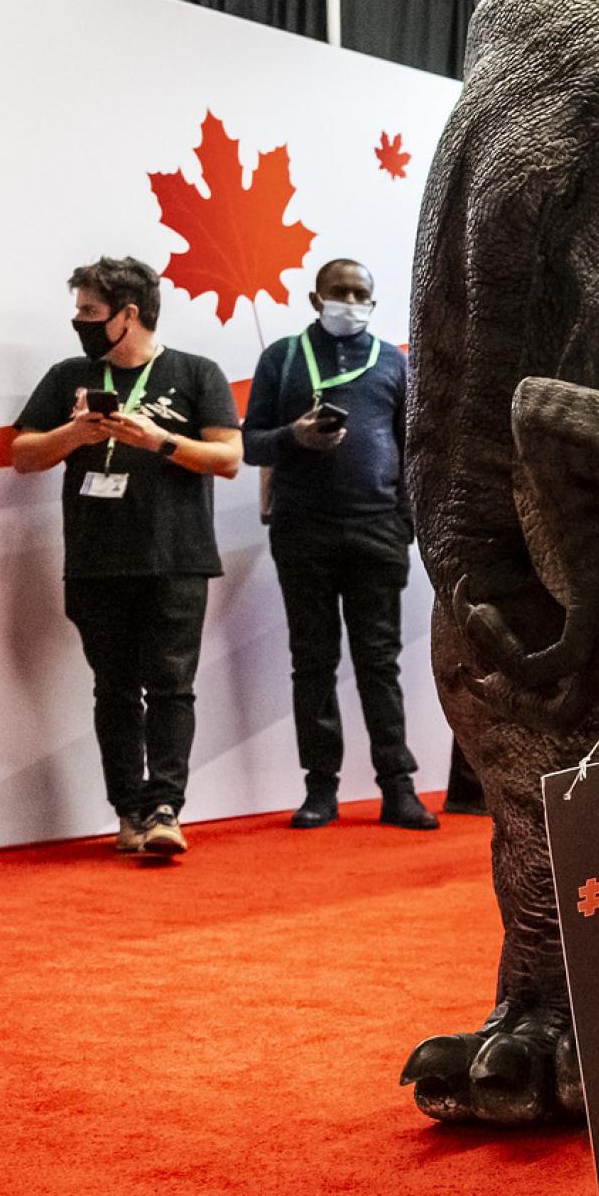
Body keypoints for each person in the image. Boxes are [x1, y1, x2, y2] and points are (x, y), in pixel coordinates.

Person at [11, 256, 241, 859]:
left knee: (171, 686)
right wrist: (74, 434)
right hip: (95, 557)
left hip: (177, 557)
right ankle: (128, 811)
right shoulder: (69, 377)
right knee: (113, 688)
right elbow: (22, 453)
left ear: (128, 314)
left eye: (90, 311)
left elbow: (228, 458)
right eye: (80, 310)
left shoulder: (197, 373)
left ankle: (167, 808)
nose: (79, 321)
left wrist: (158, 440)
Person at [240, 260, 436, 833]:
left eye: (361, 294)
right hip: (302, 532)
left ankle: (398, 789)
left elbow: (413, 446)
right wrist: (293, 437)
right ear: (315, 297)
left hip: (378, 530)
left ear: (373, 302)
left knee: (380, 663)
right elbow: (250, 445)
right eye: (339, 292)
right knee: (313, 661)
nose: (350, 301)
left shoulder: (394, 362)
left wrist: (406, 523)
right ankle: (319, 791)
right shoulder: (281, 357)